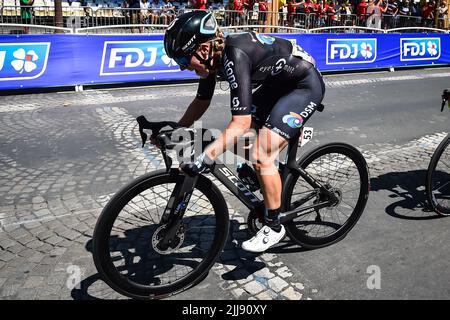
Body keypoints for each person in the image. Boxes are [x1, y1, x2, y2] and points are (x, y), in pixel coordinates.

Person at [163, 11, 325, 252]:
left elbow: (239, 122)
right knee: (237, 140)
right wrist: (175, 131)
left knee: (261, 155)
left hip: (302, 86)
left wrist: (207, 157)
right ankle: (273, 174)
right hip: (276, 85)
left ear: (203, 50)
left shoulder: (233, 54)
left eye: (184, 62)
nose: (183, 68)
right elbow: (201, 102)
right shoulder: (213, 58)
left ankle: (274, 225)